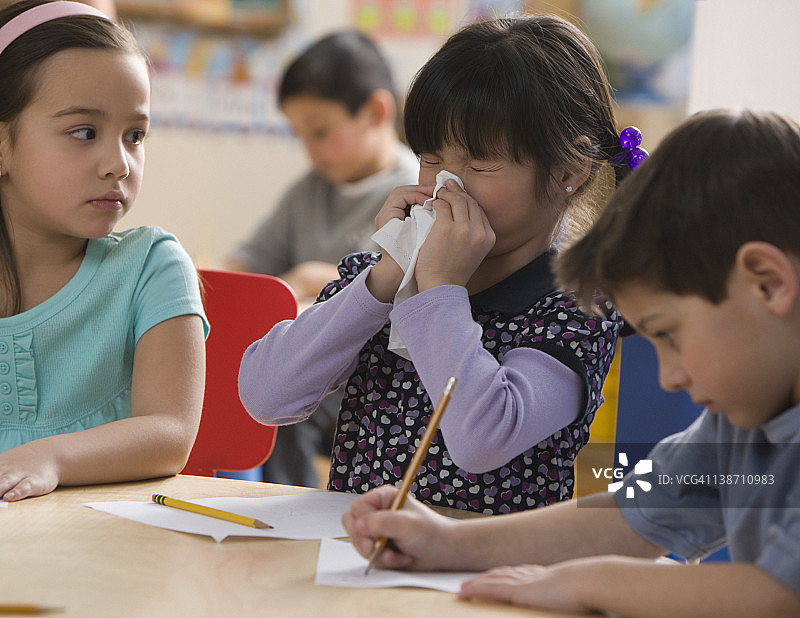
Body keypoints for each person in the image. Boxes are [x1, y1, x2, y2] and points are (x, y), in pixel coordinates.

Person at [341, 109, 800, 616]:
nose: (669, 378)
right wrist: (447, 543)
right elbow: (634, 517)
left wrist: (592, 583)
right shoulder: (743, 422)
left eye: (669, 334)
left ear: (768, 282)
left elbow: (779, 596)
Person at [239, 15, 633, 513]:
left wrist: (440, 292)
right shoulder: (384, 276)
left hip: (479, 577)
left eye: (481, 164)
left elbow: (482, 439)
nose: (447, 185)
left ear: (569, 170)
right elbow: (265, 397)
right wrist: (384, 278)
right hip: (353, 555)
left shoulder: (575, 306)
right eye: (430, 158)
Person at [0, 0, 208, 502]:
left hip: (104, 553)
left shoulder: (152, 266)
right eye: (84, 132)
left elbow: (169, 434)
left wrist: (47, 456)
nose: (119, 164)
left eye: (135, 136)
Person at [227, 29, 418, 487]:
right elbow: (252, 260)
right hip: (306, 357)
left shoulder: (410, 189)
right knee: (245, 378)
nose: (309, 151)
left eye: (320, 132)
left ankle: (282, 509)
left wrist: (318, 280)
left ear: (376, 112)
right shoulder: (308, 191)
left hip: (367, 374)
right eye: (299, 135)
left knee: (278, 401)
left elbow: (387, 290)